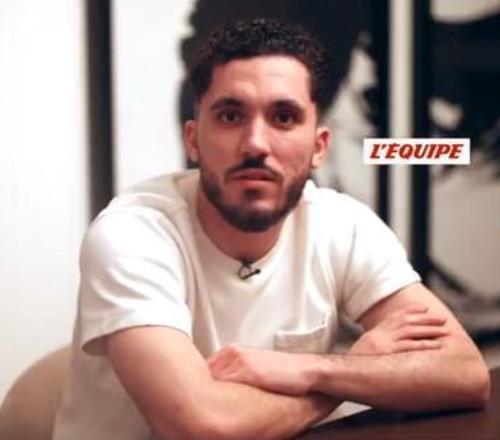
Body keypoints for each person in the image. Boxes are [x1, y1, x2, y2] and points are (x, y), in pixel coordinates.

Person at [53, 17, 490, 440]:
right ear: (193, 140)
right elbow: (200, 427)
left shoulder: (342, 224)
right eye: (231, 116)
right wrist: (350, 374)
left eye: (283, 118)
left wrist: (313, 369)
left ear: (318, 146)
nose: (255, 144)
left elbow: (464, 373)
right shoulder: (132, 236)